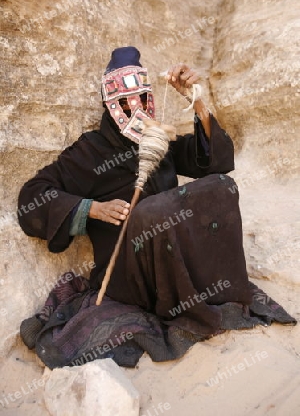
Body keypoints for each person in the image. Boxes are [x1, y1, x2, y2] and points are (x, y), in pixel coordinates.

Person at [18, 47, 296, 369]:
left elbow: (215, 161)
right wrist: (90, 209)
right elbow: (31, 198)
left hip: (174, 262)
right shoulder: (88, 153)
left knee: (222, 186)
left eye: (142, 98)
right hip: (128, 275)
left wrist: (197, 100)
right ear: (109, 106)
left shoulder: (158, 140)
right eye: (124, 102)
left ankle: (206, 288)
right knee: (150, 213)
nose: (135, 109)